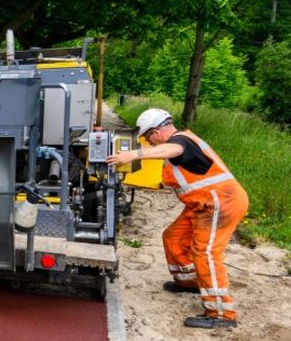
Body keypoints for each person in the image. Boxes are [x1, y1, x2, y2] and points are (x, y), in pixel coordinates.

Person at [106, 108, 249, 329]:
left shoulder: (181, 140)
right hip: (201, 204)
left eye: (148, 137)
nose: (149, 143)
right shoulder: (177, 143)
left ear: (156, 131)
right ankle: (189, 282)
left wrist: (134, 154)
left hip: (220, 202)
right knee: (173, 237)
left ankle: (221, 313)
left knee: (206, 253)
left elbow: (173, 149)